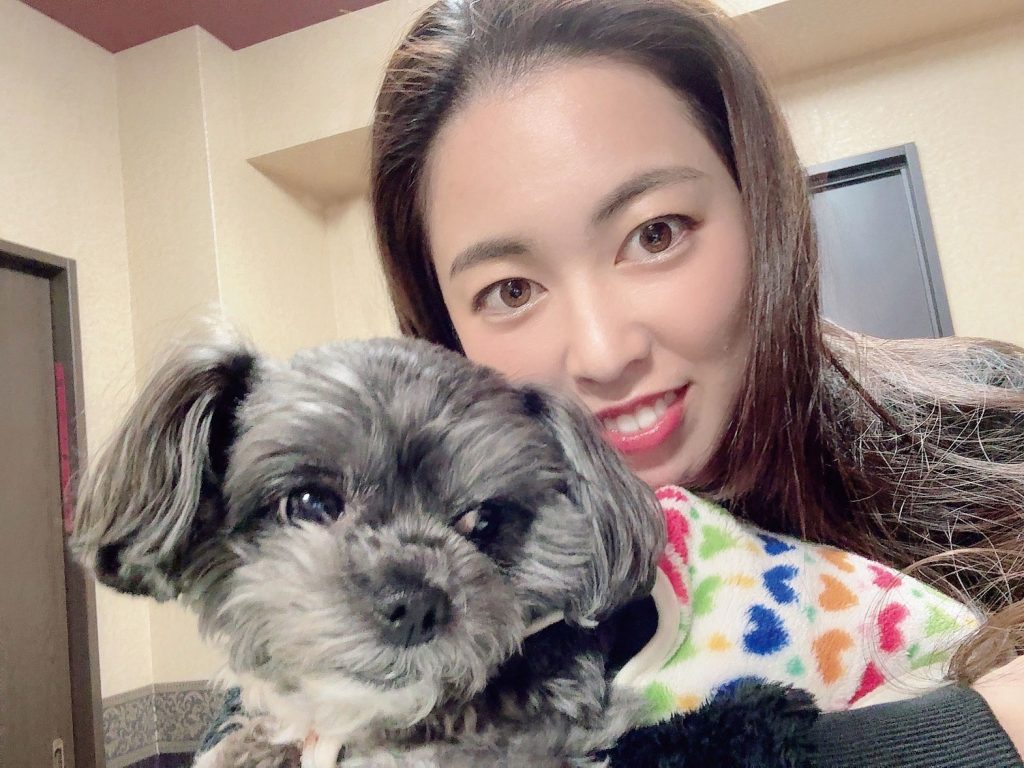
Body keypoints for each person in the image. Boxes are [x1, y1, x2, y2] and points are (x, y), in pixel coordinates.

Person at [367, 0, 1024, 764]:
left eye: (656, 234)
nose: (603, 353)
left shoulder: (990, 421)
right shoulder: (423, 595)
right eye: (511, 291)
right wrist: (965, 736)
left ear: (757, 202)